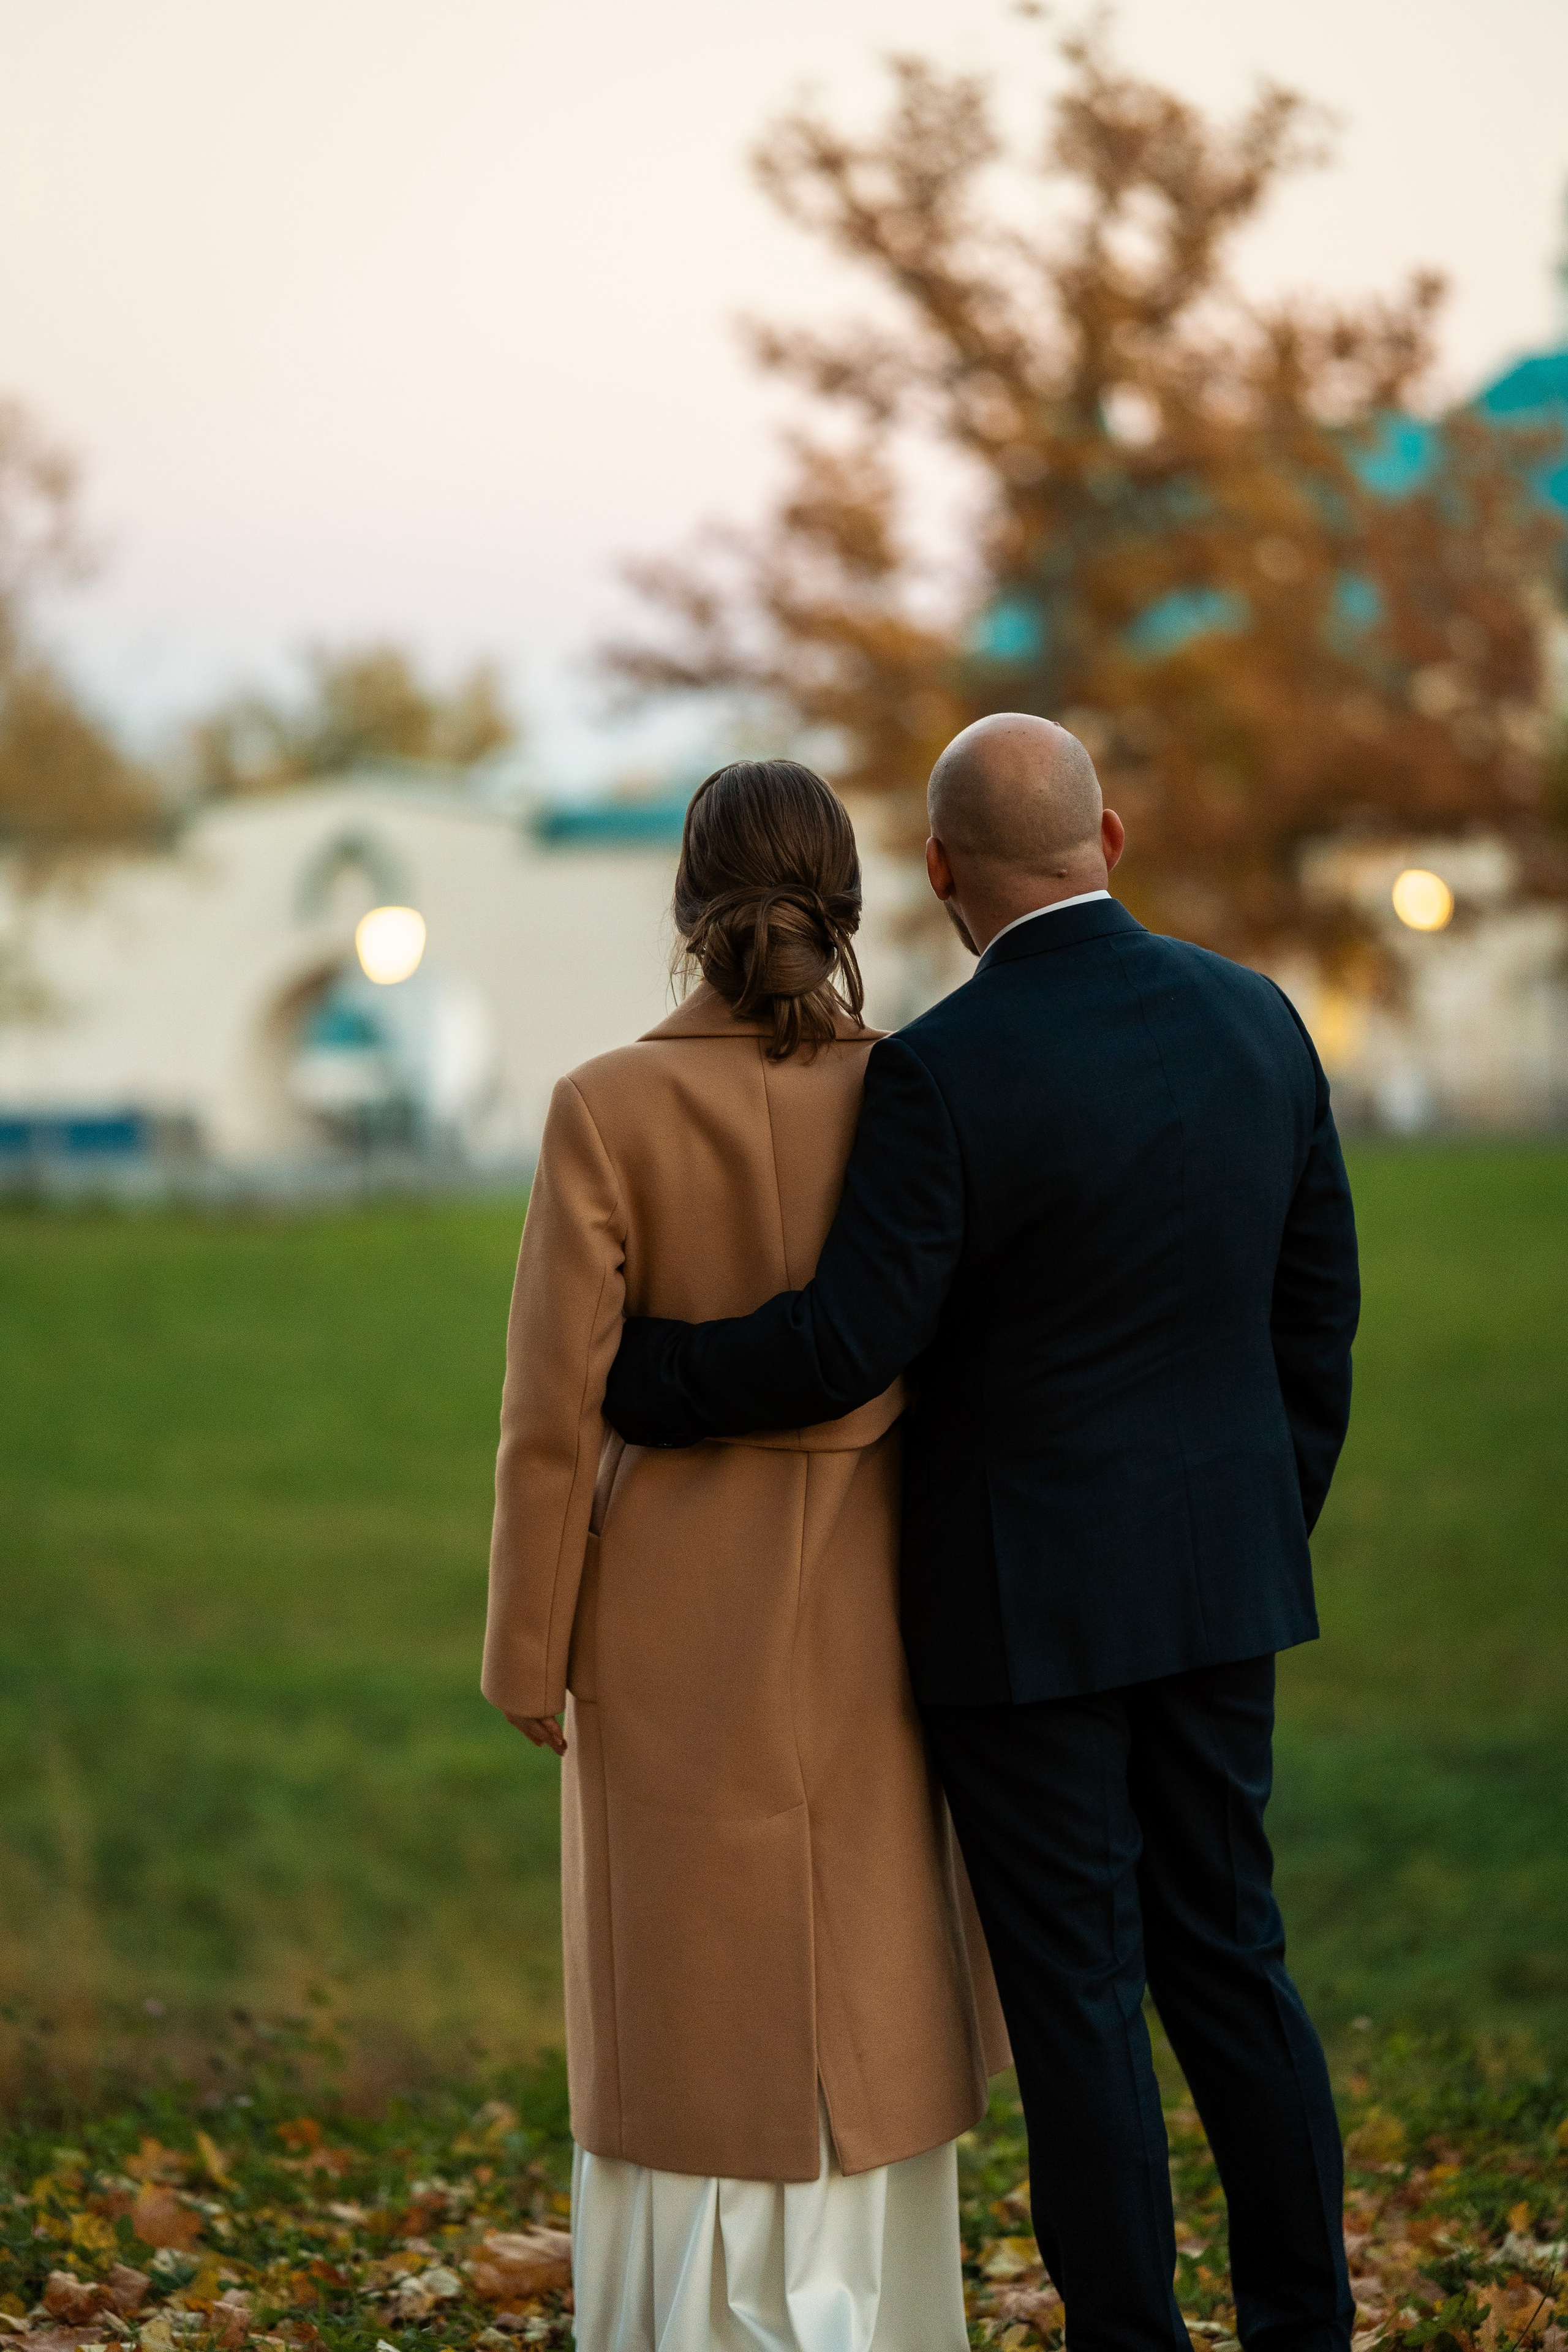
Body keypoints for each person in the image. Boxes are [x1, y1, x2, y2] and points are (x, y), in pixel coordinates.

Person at [603, 715, 1363, 2352]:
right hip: (1224, 1585)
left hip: (1021, 1623)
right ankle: (1307, 2327)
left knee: (1081, 1996)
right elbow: (1319, 1323)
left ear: (942, 872)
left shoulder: (942, 1071)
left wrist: (641, 1370)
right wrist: (1248, 1525)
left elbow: (845, 1342)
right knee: (1233, 1954)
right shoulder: (1262, 1023)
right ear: (1111, 840)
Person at [482, 758, 1008, 2352]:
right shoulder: (924, 1094)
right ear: (849, 904)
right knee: (865, 1963)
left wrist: (525, 1648)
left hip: (660, 1609)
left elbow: (548, 1416)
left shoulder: (604, 1106)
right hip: (878, 1592)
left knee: (686, 2001)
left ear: (684, 908)